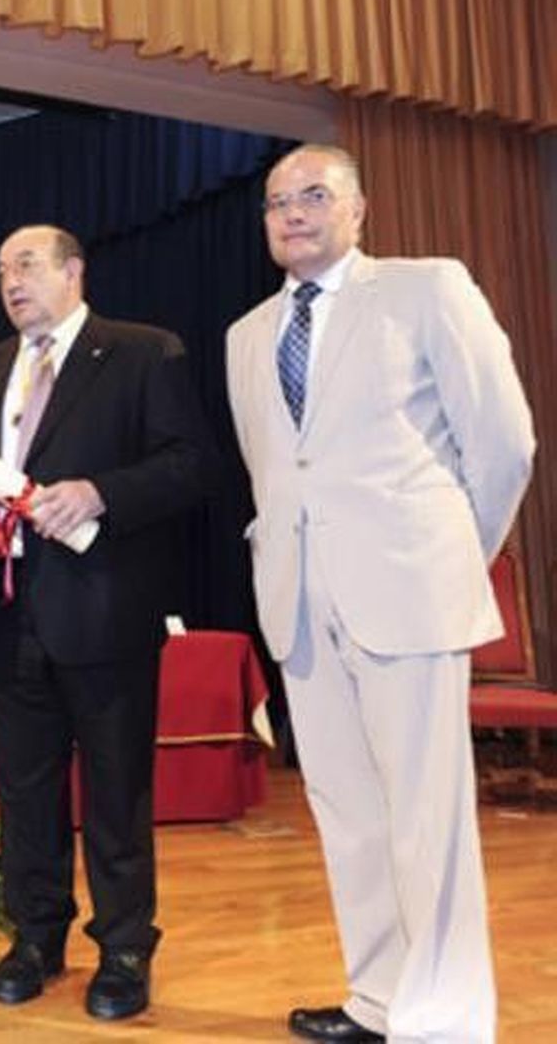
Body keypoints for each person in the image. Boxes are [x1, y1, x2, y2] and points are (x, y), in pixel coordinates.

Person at [225, 144, 534, 1044]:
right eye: (278, 201)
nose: (293, 212)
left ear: (358, 209)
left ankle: (444, 1019)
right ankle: (380, 998)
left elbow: (505, 442)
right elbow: (273, 475)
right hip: (300, 600)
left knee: (425, 818)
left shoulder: (427, 288)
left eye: (314, 194)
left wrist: (449, 552)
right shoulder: (247, 335)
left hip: (406, 589)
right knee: (349, 813)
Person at [0, 225, 212, 1020]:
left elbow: (192, 465)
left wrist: (100, 492)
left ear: (73, 271)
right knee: (24, 790)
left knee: (115, 790)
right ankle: (35, 935)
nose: (11, 281)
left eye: (26, 265)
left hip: (105, 610)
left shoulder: (141, 352)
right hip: (5, 611)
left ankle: (126, 948)